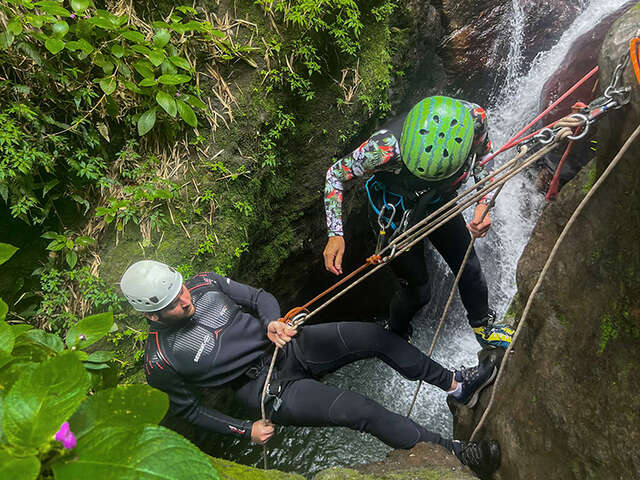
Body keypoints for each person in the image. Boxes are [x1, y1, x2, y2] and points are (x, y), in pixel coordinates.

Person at [120, 260, 501, 475]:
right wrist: (244, 429)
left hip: (287, 344)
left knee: (376, 337)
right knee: (360, 410)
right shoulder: (161, 359)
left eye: (181, 291)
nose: (185, 301)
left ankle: (457, 386)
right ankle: (453, 453)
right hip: (267, 391)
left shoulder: (203, 283)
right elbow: (189, 411)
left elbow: (257, 296)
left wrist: (273, 321)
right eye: (173, 303)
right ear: (151, 313)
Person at [322, 96, 513, 347]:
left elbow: (484, 157)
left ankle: (483, 328)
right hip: (393, 216)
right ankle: (397, 332)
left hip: (438, 203)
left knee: (469, 268)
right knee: (418, 293)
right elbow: (335, 175)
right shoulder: (383, 148)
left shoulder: (474, 120)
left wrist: (484, 203)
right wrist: (336, 233)